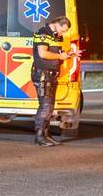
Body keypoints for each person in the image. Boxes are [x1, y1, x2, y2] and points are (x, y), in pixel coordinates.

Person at [30, 15, 77, 147]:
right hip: (42, 74)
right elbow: (43, 53)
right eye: (63, 30)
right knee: (45, 106)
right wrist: (60, 56)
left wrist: (68, 55)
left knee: (50, 107)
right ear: (57, 24)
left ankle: (46, 135)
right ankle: (39, 137)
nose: (63, 33)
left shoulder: (55, 35)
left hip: (51, 75)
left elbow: (56, 54)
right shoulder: (43, 33)